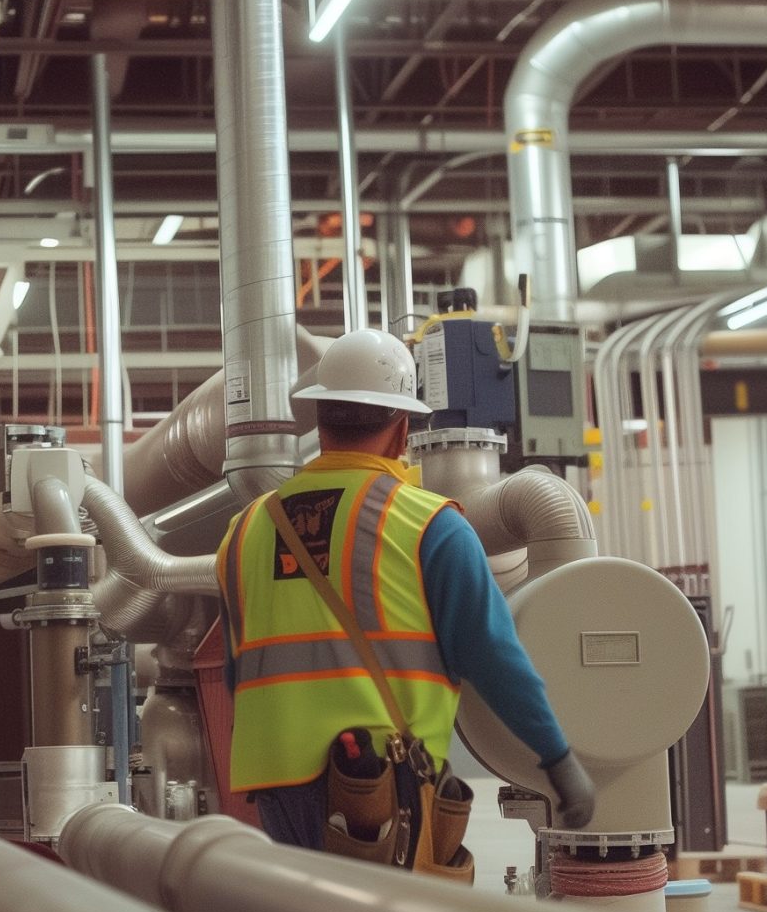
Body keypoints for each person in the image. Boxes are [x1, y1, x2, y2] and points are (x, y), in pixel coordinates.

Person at [215, 328, 597, 849]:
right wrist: (557, 758)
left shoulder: (244, 532)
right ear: (402, 429)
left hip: (275, 783)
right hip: (378, 781)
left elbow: (237, 668)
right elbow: (492, 654)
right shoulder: (428, 525)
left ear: (321, 420)